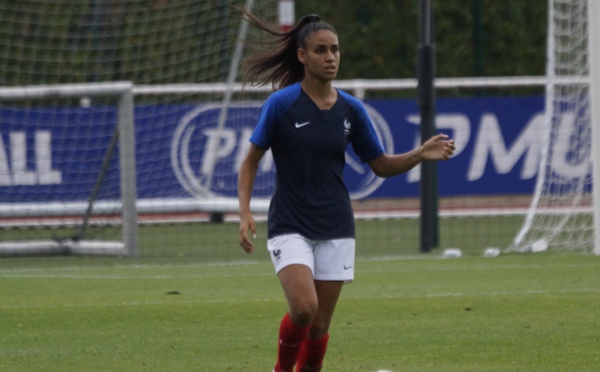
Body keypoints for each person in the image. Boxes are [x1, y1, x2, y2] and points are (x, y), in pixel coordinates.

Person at [237, 11, 455, 372]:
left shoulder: (351, 109)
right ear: (302, 56)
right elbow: (249, 163)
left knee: (320, 325)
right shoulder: (281, 104)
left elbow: (381, 165)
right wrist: (245, 212)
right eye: (321, 50)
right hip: (290, 223)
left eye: (335, 50)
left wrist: (420, 153)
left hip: (337, 224)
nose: (331, 57)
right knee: (304, 309)